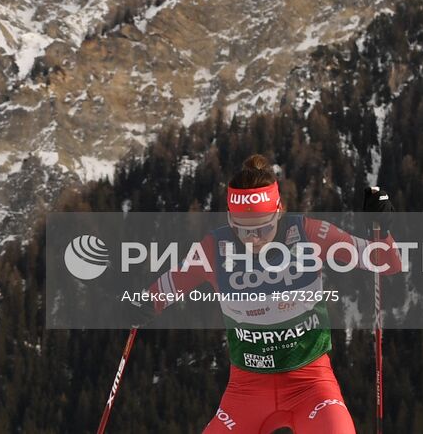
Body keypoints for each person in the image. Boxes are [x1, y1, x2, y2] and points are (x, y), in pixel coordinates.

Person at [142, 154, 401, 434]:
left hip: (310, 384)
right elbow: (162, 291)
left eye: (264, 227)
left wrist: (382, 228)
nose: (254, 239)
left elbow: (386, 263)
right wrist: (139, 305)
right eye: (242, 230)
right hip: (246, 391)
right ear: (230, 220)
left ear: (279, 211)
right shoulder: (213, 248)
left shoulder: (308, 234)